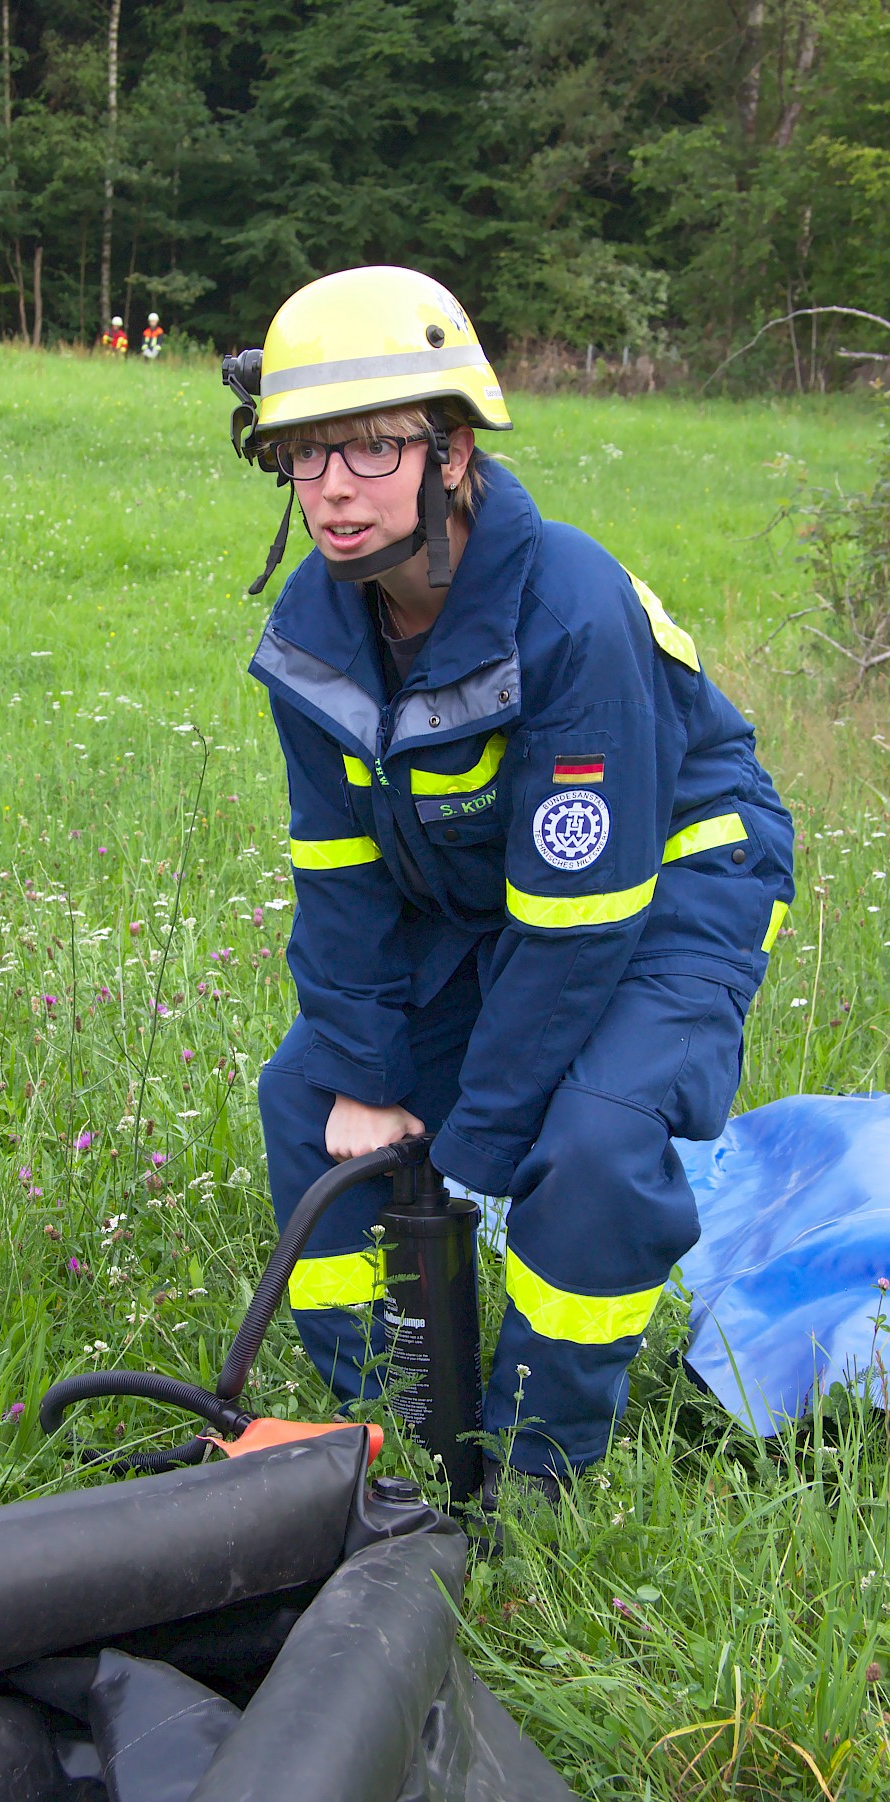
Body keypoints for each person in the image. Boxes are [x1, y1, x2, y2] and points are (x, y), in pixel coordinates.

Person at [224, 265, 795, 1504]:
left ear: (454, 451)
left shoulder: (572, 613)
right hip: (497, 901)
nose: (332, 488)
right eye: (302, 454)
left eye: (371, 449)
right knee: (303, 1095)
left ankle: (536, 1475)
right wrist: (367, 1080)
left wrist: (475, 1144)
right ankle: (384, 1431)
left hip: (664, 894)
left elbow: (579, 931)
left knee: (588, 1145)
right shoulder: (314, 641)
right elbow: (341, 887)